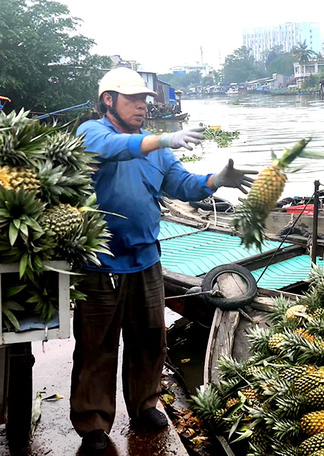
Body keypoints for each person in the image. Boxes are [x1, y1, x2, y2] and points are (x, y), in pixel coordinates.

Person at [71, 66, 256, 454]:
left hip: (145, 259)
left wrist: (215, 180)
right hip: (99, 263)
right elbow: (110, 149)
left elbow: (182, 185)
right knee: (96, 346)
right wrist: (165, 137)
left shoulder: (155, 150)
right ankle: (93, 424)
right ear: (109, 100)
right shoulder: (92, 133)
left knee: (150, 339)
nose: (141, 106)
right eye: (133, 99)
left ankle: (144, 406)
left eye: (144, 100)